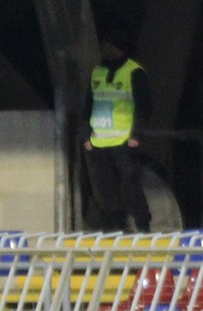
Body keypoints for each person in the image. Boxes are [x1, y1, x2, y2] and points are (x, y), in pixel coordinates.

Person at [84, 26, 152, 233]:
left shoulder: (134, 72)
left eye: (106, 44)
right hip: (99, 141)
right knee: (106, 191)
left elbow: (144, 106)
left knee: (131, 187)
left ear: (116, 46)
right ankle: (114, 228)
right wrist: (86, 136)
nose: (103, 48)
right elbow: (88, 106)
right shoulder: (97, 72)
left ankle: (142, 225)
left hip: (124, 141)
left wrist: (136, 135)